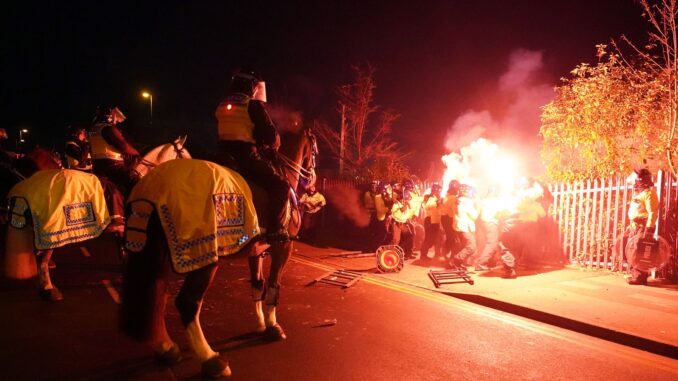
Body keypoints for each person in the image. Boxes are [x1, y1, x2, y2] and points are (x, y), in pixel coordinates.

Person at [214, 68, 290, 241]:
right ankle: (274, 229)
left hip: (222, 156)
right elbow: (271, 136)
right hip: (245, 158)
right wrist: (270, 143)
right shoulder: (252, 104)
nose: (256, 91)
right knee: (281, 186)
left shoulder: (222, 104)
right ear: (250, 86)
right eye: (255, 87)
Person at [88, 105, 140, 195]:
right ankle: (133, 206)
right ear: (110, 117)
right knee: (137, 182)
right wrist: (136, 153)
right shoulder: (108, 129)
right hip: (113, 166)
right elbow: (124, 146)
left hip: (97, 167)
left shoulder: (92, 129)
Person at [623, 168, 659, 285]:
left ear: (640, 180)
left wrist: (648, 229)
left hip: (643, 226)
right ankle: (636, 275)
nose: (633, 182)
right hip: (635, 226)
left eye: (635, 179)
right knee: (632, 250)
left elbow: (653, 212)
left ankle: (640, 277)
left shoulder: (649, 193)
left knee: (640, 251)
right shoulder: (641, 193)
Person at [448, 184, 479, 269]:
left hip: (460, 226)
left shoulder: (458, 200)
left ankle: (457, 263)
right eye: (469, 191)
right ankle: (455, 260)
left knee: (462, 246)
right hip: (465, 227)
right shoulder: (465, 201)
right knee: (472, 246)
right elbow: (474, 215)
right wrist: (478, 207)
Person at [388, 189, 415, 259]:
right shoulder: (396, 204)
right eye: (407, 199)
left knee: (409, 236)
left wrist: (408, 218)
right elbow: (396, 213)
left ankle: (407, 253)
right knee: (396, 240)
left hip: (404, 223)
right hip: (397, 223)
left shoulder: (405, 205)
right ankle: (390, 253)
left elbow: (407, 214)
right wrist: (403, 208)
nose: (408, 200)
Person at [419, 183, 442, 261]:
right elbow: (426, 207)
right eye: (438, 190)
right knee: (429, 239)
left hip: (436, 221)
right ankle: (423, 255)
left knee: (433, 239)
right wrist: (437, 202)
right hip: (430, 220)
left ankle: (425, 254)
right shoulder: (428, 197)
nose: (439, 191)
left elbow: (440, 210)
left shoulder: (437, 198)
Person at [440, 180, 461, 260]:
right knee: (453, 238)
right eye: (457, 189)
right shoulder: (452, 198)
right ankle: (450, 256)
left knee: (450, 237)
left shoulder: (446, 196)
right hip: (449, 219)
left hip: (445, 218)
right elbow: (454, 211)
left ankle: (445, 253)